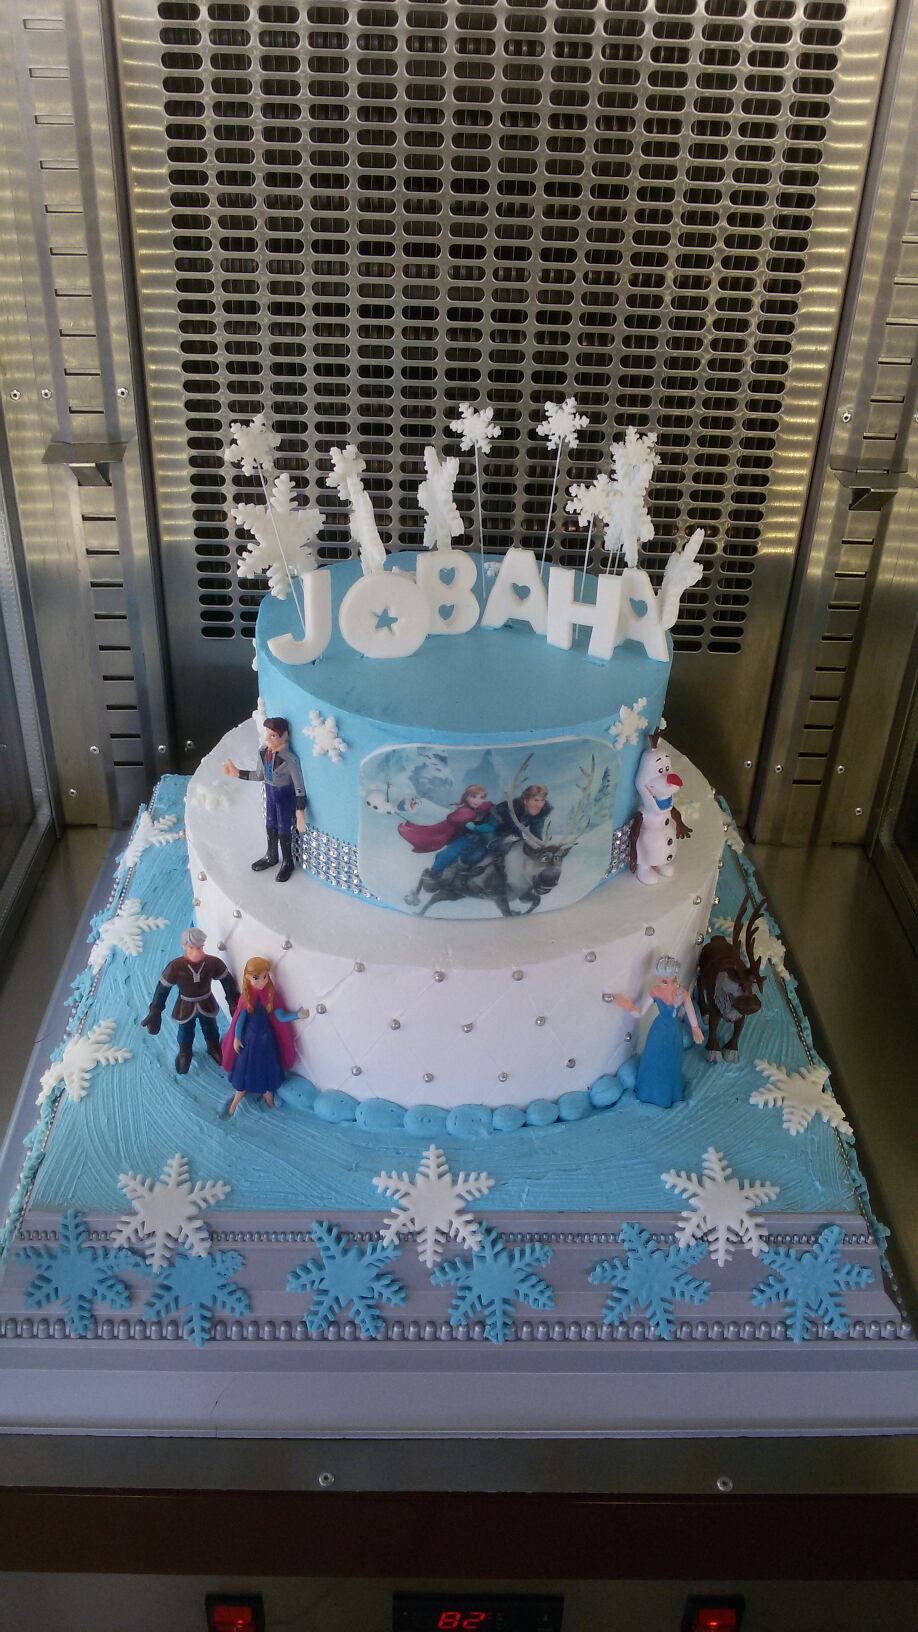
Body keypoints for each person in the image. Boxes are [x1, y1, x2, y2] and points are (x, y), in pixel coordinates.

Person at [141, 928, 240, 1075]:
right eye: (191, 947)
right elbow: (162, 989)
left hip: (207, 1002)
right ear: (184, 946)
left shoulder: (212, 963)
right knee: (185, 1030)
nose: (196, 951)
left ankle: (213, 1047)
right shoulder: (175, 967)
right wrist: (155, 1010)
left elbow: (227, 981)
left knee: (211, 1027)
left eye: (199, 947)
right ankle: (185, 1053)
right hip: (185, 1006)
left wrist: (232, 1002)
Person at [220, 956, 309, 1116]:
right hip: (249, 1040)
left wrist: (297, 1015)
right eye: (256, 978)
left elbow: (281, 1017)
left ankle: (268, 1096)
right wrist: (237, 1037)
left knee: (267, 1068)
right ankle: (237, 1098)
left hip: (267, 1039)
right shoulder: (246, 997)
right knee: (245, 1069)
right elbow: (240, 1019)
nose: (261, 981)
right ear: (247, 977)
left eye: (265, 976)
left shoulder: (271, 996)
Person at [223, 716, 307, 883]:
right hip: (270, 794)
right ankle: (271, 855)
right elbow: (259, 775)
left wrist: (299, 812)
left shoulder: (290, 760)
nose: (268, 738)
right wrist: (238, 773)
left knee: (284, 829)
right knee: (270, 825)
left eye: (273, 735)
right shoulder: (263, 753)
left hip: (284, 796)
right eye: (267, 734)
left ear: (284, 736)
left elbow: (299, 788)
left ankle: (288, 862)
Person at [613, 954, 704, 1108]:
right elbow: (640, 1012)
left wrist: (695, 1028)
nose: (661, 982)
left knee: (670, 1061)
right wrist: (629, 1006)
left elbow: (690, 1013)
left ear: (674, 977)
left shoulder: (682, 994)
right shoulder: (655, 991)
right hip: (658, 1031)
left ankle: (667, 1093)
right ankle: (647, 1091)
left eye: (665, 980)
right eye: (659, 978)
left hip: (673, 1033)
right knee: (652, 1059)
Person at [398, 784, 498, 875]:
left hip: (474, 837)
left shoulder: (482, 806)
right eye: (473, 797)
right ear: (467, 797)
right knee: (452, 851)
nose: (477, 800)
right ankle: (435, 871)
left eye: (481, 798)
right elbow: (458, 820)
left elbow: (490, 807)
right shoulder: (465, 811)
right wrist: (475, 827)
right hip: (456, 834)